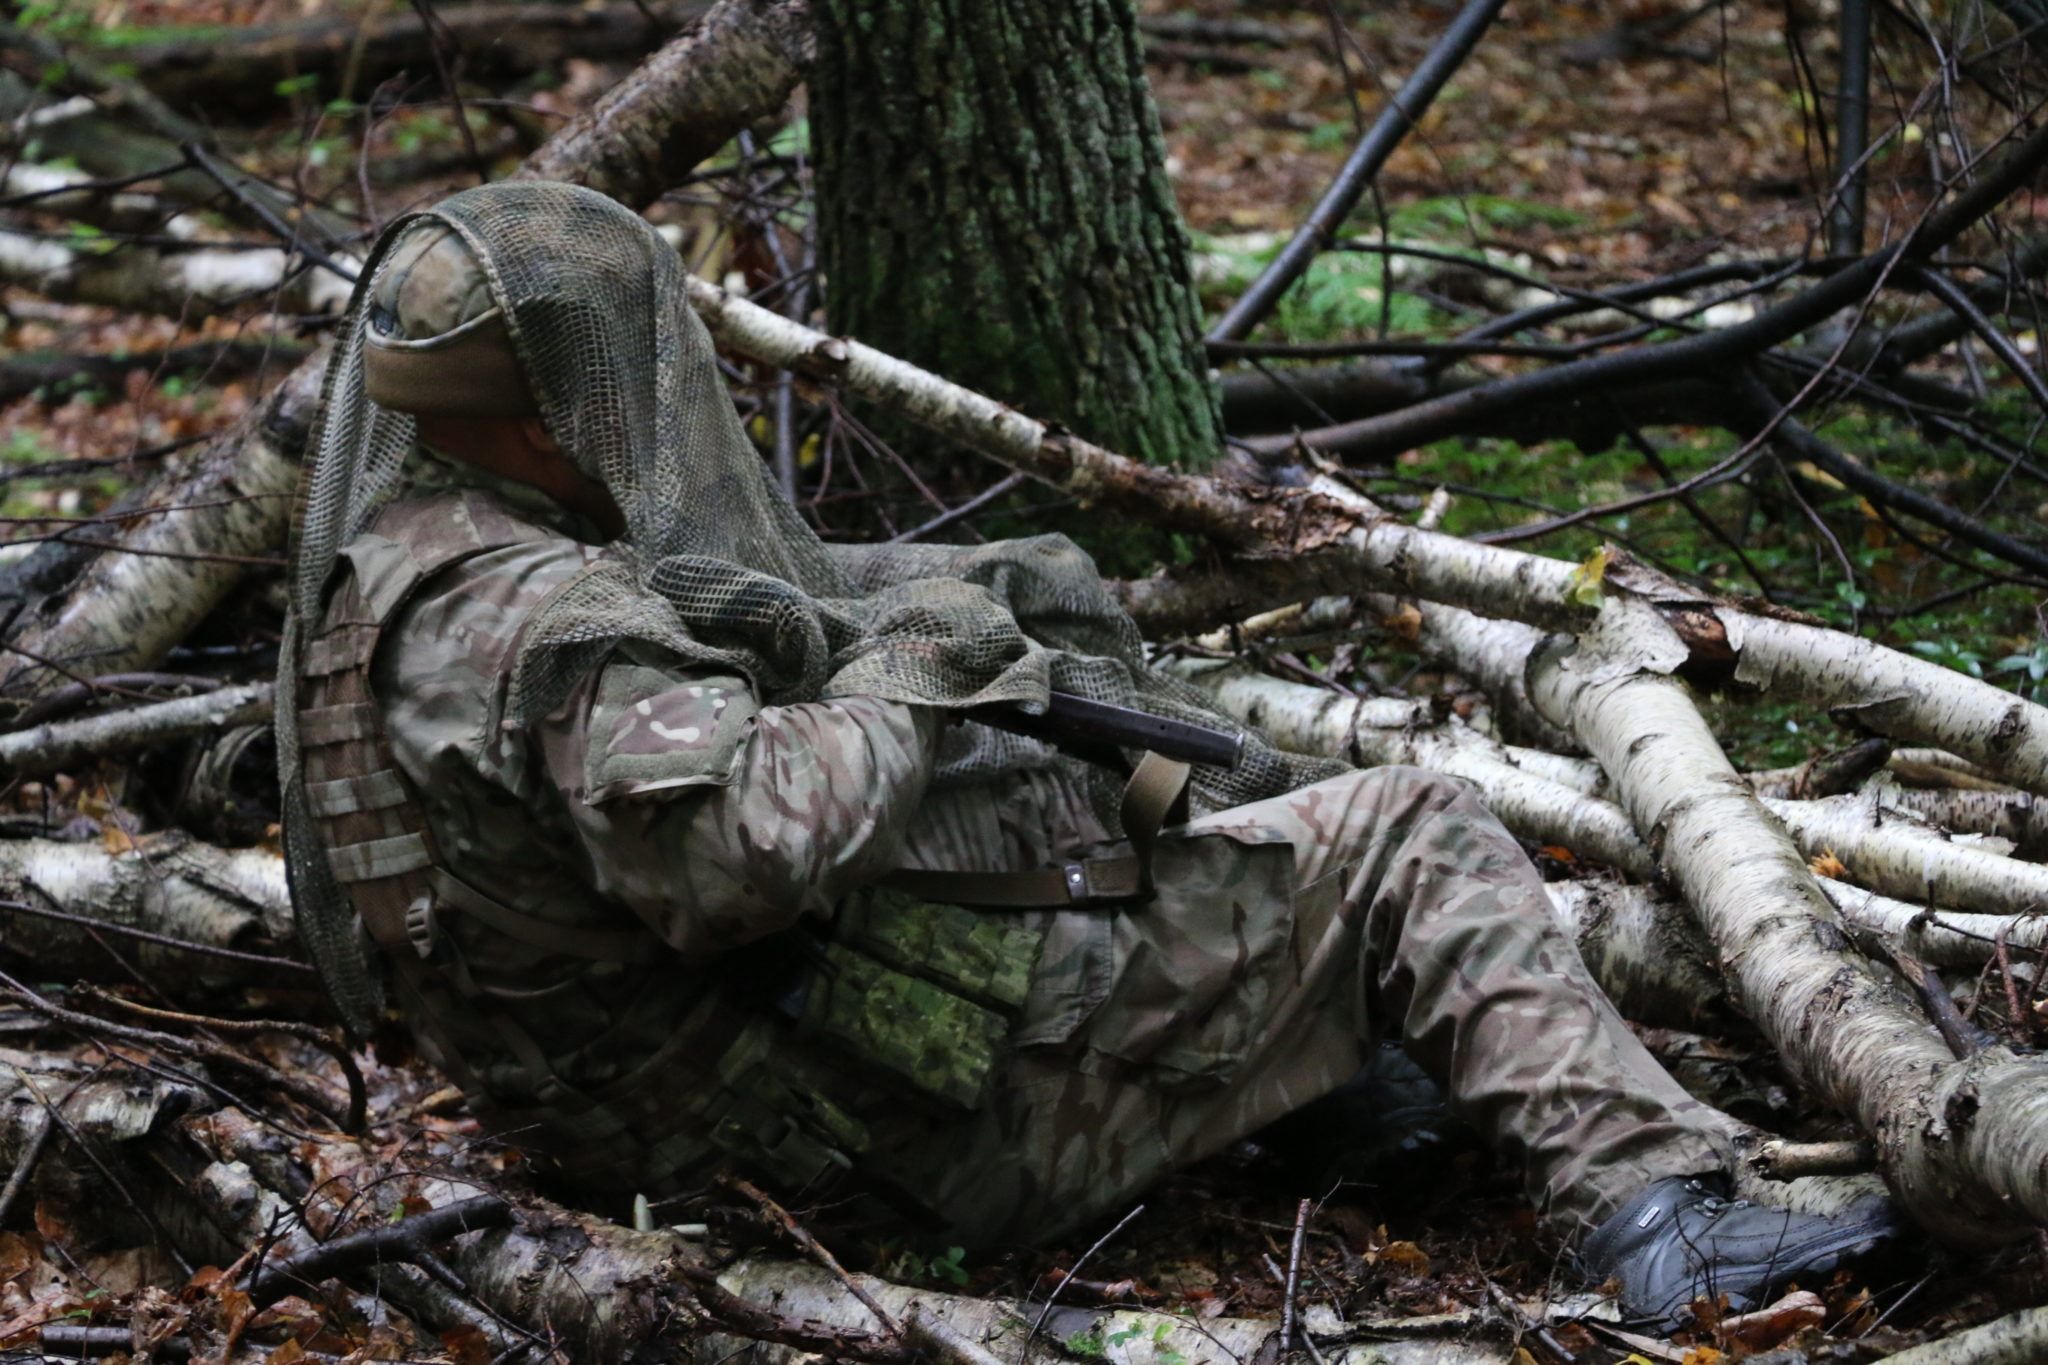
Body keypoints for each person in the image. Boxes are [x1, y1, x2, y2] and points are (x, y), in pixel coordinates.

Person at [279, 182, 1898, 1332]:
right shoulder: (559, 624)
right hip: (872, 1148)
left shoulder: (391, 574)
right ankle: (1662, 1216)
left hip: (677, 1119)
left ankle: (1328, 1094)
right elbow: (741, 855)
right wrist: (913, 673)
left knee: (1128, 814)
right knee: (1410, 826)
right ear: (546, 403)